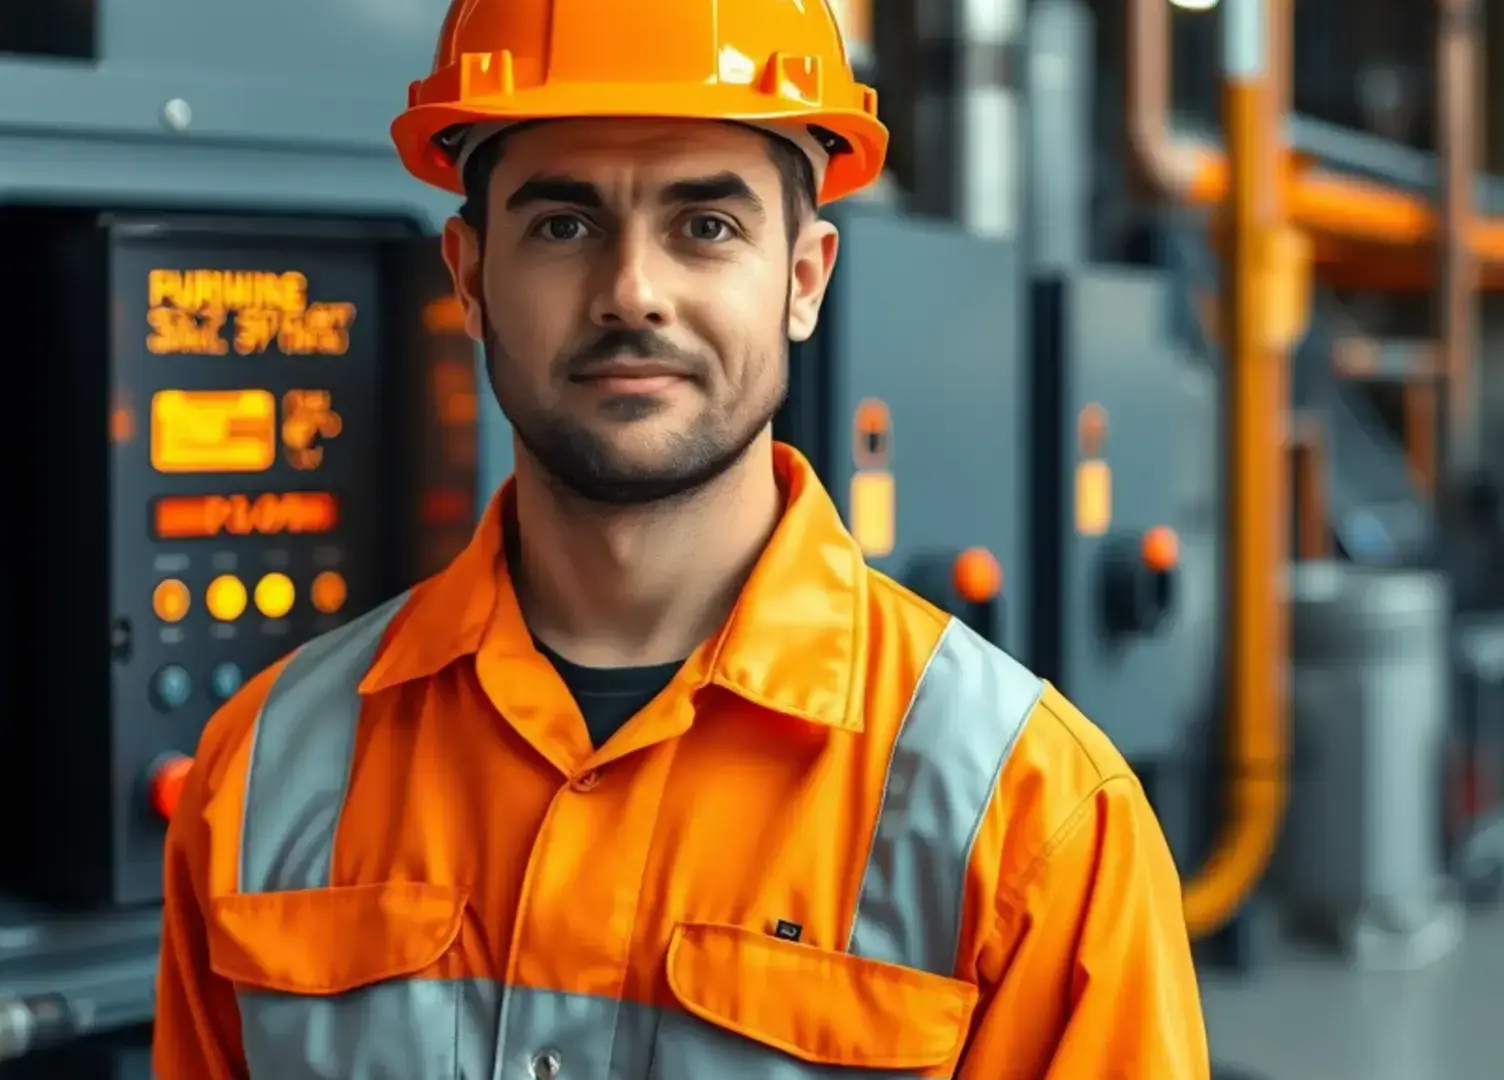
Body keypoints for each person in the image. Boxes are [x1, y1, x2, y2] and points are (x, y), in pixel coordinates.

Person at [154, 0, 1213, 1075]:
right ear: (471, 278)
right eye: (563, 226)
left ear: (803, 278)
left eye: (706, 226)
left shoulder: (1034, 818)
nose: (631, 293)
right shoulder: (261, 774)